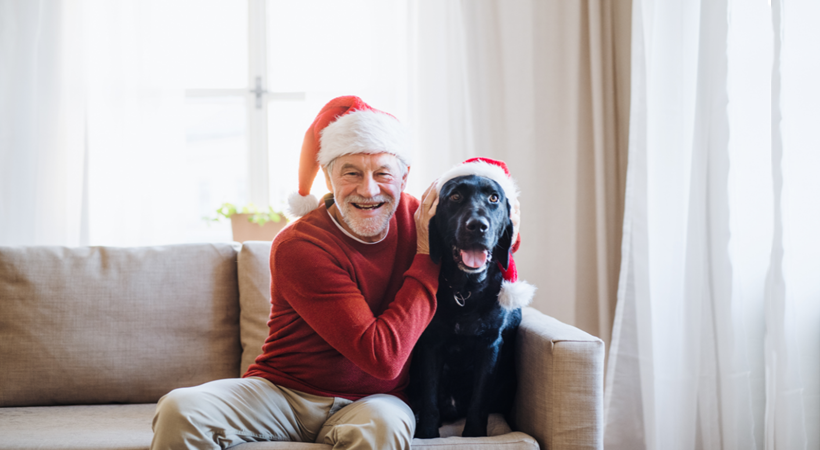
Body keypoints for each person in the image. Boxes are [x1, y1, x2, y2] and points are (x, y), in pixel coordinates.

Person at [150, 96, 441, 450]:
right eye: (351, 172)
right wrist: (427, 259)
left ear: (404, 177)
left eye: (382, 173)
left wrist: (510, 224)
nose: (368, 189)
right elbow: (381, 355)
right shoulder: (300, 245)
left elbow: (492, 242)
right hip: (283, 393)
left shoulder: (424, 222)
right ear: (329, 176)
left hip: (374, 400)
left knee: (383, 426)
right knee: (181, 409)